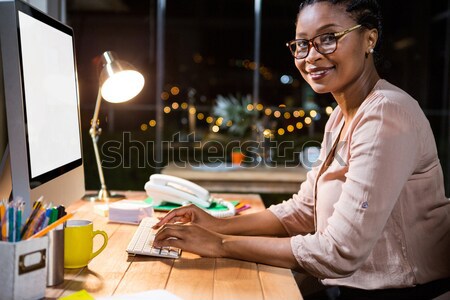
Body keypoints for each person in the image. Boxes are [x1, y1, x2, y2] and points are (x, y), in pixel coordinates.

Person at [153, 0, 450, 298]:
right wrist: (220, 224)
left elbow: (338, 252)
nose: (312, 56)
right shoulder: (341, 116)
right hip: (345, 286)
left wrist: (218, 243)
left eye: (329, 38)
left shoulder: (386, 114)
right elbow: (304, 210)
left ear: (369, 39)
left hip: (401, 291)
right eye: (302, 44)